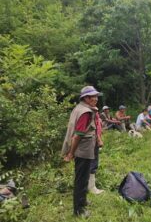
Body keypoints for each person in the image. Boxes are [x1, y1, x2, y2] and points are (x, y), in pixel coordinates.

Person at [61, 86, 103, 217]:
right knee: (81, 180)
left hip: (85, 149)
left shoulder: (81, 108)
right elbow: (78, 135)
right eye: (92, 97)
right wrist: (71, 153)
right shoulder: (85, 112)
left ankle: (82, 201)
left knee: (84, 179)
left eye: (96, 96)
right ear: (85, 98)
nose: (96, 99)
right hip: (83, 151)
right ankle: (79, 211)